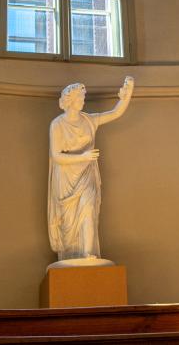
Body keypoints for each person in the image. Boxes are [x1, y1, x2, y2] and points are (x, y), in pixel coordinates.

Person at [48, 76, 134, 261]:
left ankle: (88, 254)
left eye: (82, 98)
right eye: (79, 98)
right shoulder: (57, 124)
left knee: (88, 210)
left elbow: (115, 113)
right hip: (66, 178)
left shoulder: (90, 120)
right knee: (68, 221)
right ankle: (70, 257)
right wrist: (82, 157)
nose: (82, 101)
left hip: (87, 175)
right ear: (69, 101)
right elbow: (56, 156)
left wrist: (126, 96)